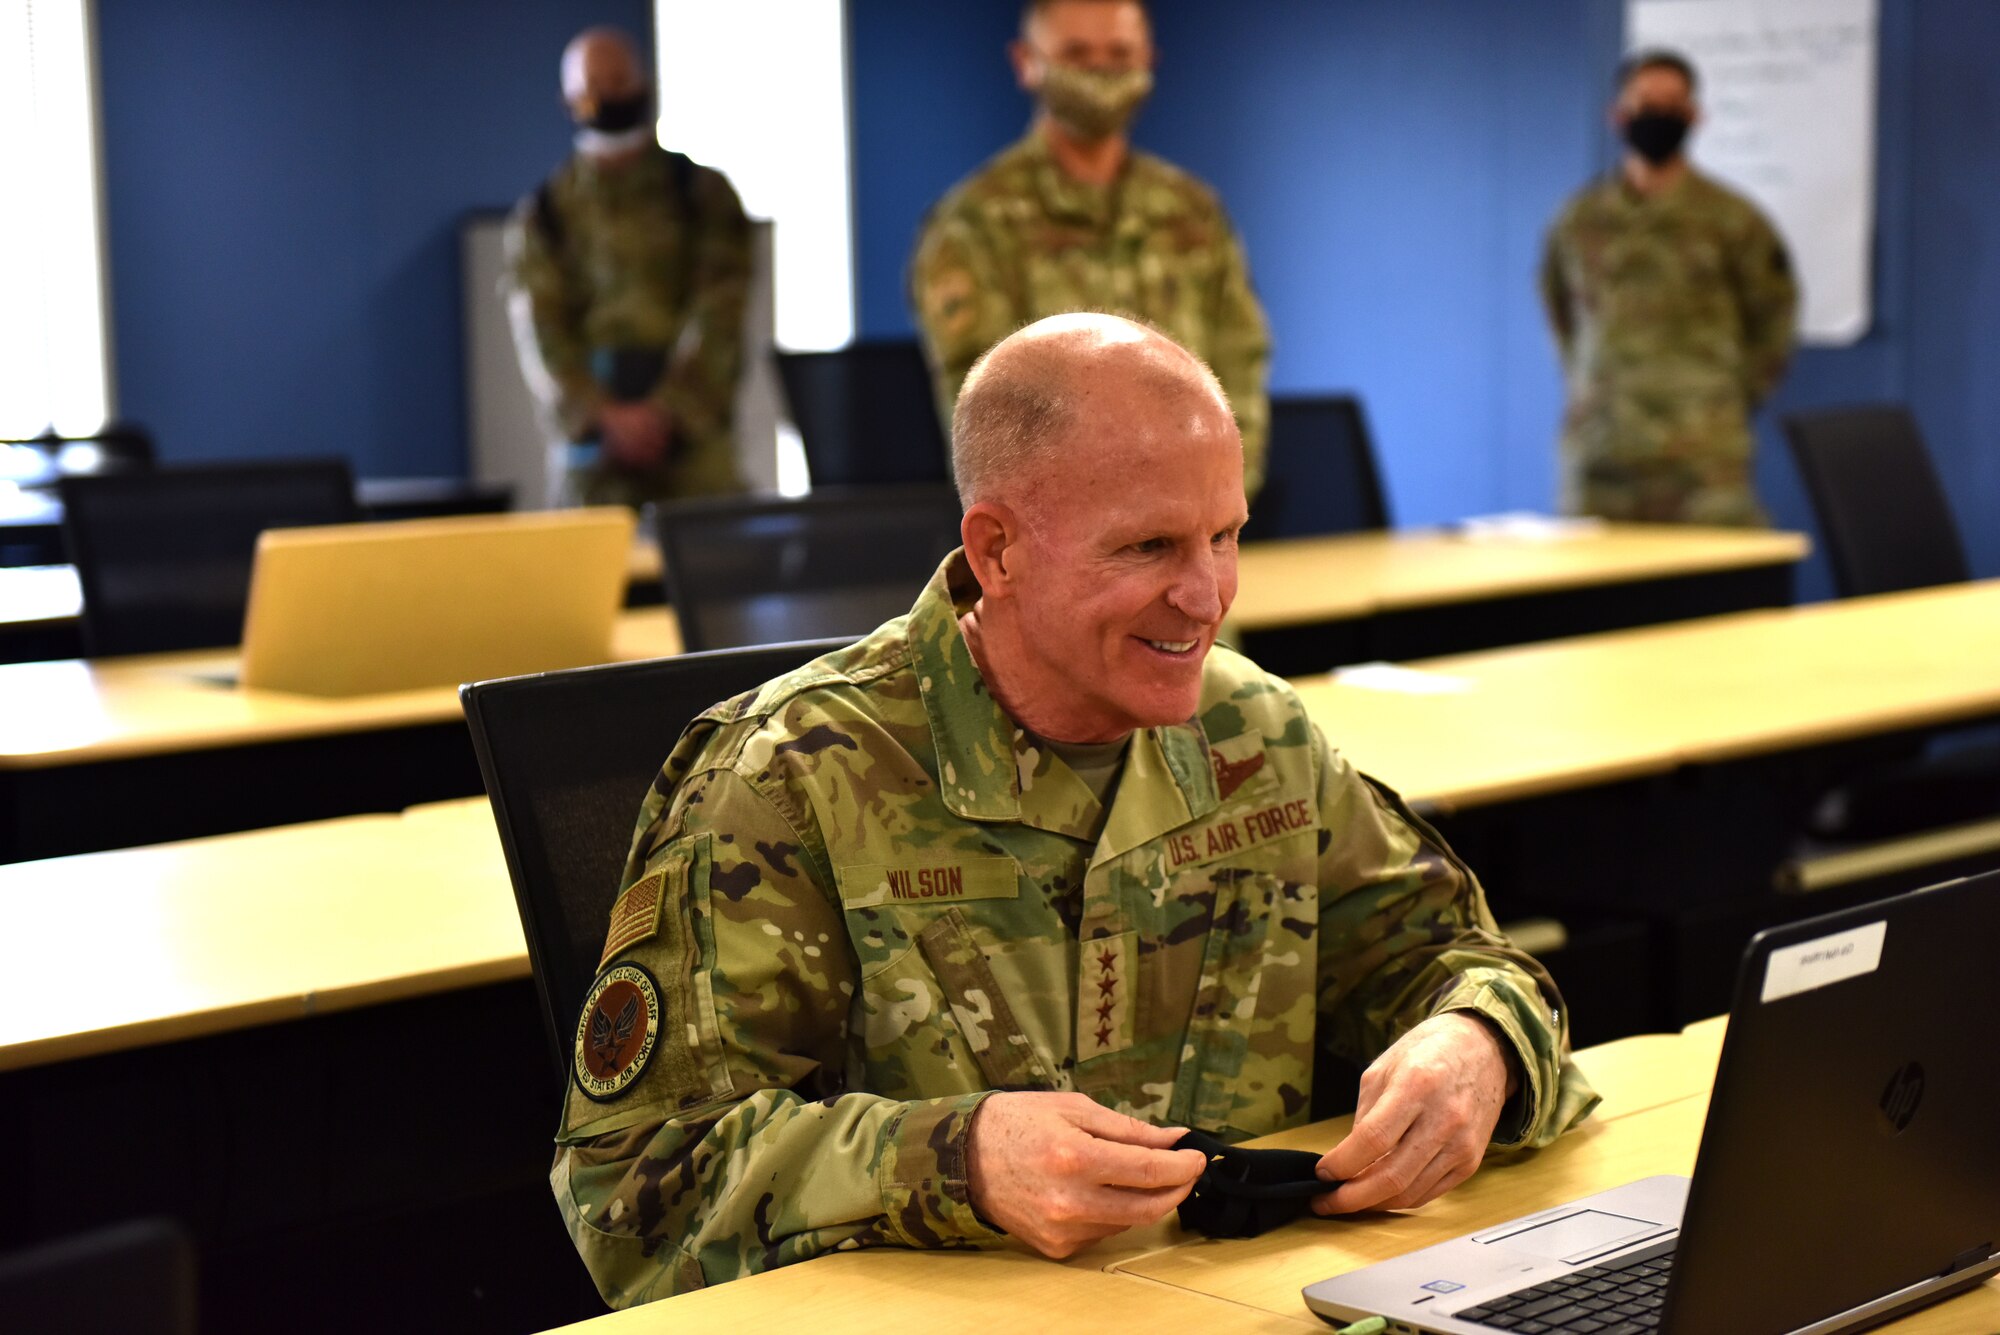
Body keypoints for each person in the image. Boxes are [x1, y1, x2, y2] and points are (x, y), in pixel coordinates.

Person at [550, 312, 1598, 1306]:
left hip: (1244, 1305)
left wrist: (1477, 1044)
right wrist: (957, 1164)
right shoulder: (794, 778)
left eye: (1224, 537)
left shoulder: (1251, 734)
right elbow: (635, 1191)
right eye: (1146, 549)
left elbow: (1457, 960)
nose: (1207, 595)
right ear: (997, 550)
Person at [908, 0, 1271, 496]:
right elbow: (986, 418)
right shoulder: (974, 224)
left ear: (1148, 61)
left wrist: (1215, 506)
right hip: (1062, 537)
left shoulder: (1192, 211)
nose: (1101, 70)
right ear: (1026, 62)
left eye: (1120, 54)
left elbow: (1240, 369)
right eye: (1077, 54)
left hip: (1198, 519)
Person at [1539, 49, 1799, 526]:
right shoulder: (1578, 221)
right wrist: (1593, 386)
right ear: (1617, 115)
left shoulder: (1734, 220)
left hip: (1703, 460)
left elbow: (1773, 322)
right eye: (1644, 100)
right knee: (1594, 595)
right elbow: (1561, 315)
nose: (1657, 114)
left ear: (1695, 115)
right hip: (1603, 456)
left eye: (1672, 102)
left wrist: (1725, 402)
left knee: (1717, 593)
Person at [502, 27, 751, 509]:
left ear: (643, 84)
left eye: (619, 81)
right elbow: (542, 332)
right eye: (593, 87)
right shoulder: (546, 213)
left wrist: (666, 412)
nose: (609, 97)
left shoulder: (702, 194)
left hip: (693, 453)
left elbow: (720, 308)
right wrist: (606, 417)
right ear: (569, 99)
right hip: (593, 461)